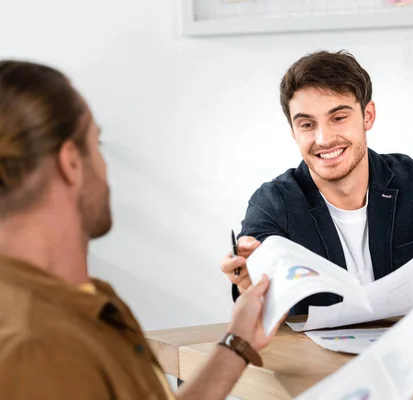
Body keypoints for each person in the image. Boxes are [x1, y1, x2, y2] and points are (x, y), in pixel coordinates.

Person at [0, 60, 277, 400]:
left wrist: (238, 340)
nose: (103, 166)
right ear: (71, 162)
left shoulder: (84, 300)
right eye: (96, 144)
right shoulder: (37, 350)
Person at [221, 50, 413, 315]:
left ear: (367, 116)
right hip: (317, 366)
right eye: (307, 124)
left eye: (338, 117)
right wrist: (248, 284)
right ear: (294, 131)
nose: (324, 139)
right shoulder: (273, 204)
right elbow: (257, 298)